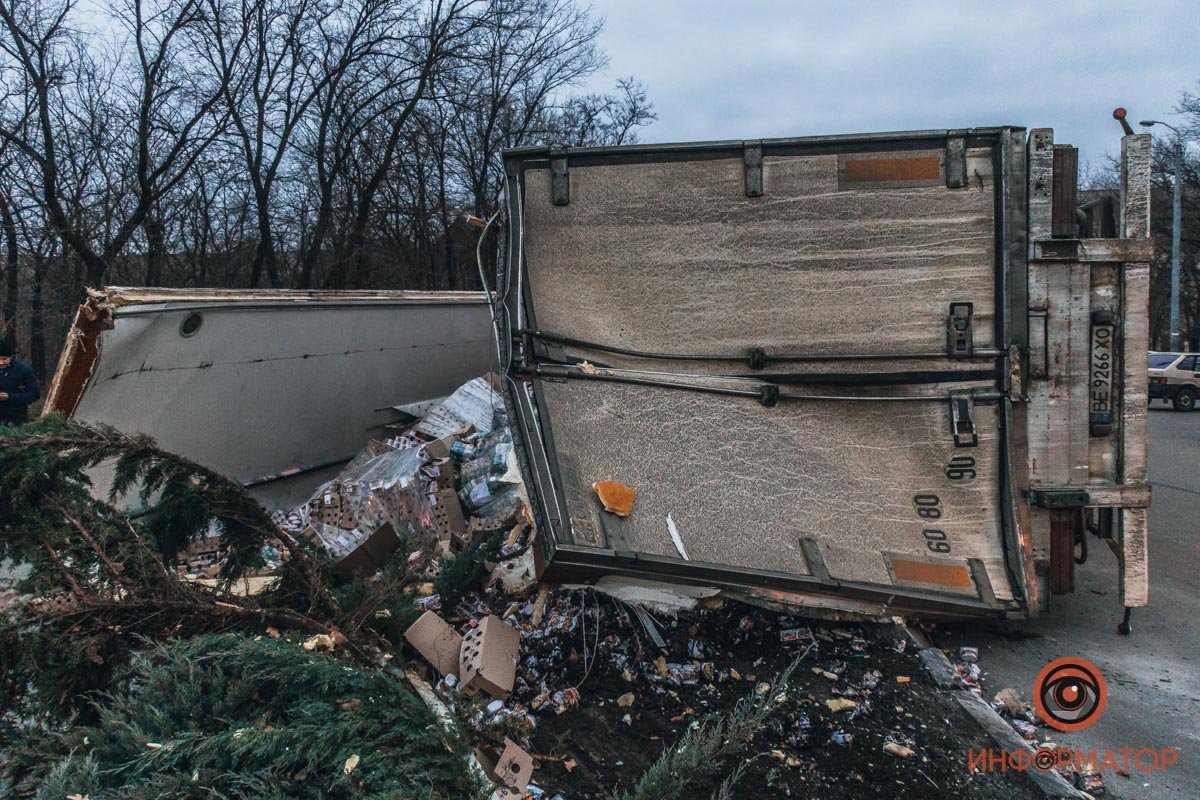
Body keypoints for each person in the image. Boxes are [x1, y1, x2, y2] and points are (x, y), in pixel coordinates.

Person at [0, 340, 40, 426]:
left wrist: (10, 397)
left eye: (4, 359)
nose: (1, 363)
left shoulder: (23, 370)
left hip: (16, 420)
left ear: (11, 357)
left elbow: (34, 394)